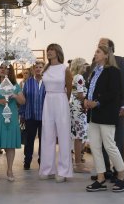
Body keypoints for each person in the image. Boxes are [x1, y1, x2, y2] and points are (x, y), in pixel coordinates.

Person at [84, 44, 124, 192]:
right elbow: (91, 89)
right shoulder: (95, 70)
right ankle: (100, 178)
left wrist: (97, 102)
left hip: (106, 113)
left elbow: (114, 93)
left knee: (110, 145)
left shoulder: (113, 71)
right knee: (95, 147)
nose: (95, 54)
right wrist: (86, 100)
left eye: (98, 52)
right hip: (93, 114)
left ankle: (122, 177)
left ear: (106, 55)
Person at [39, 43, 73, 183]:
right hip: (48, 100)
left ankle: (64, 171)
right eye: (48, 50)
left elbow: (69, 88)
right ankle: (48, 169)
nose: (49, 52)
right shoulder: (45, 69)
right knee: (47, 135)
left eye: (52, 50)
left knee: (64, 136)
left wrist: (64, 100)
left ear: (58, 52)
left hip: (61, 99)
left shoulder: (65, 69)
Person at [0, 63, 25, 182]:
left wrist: (15, 96)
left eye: (6, 68)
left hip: (11, 117)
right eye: (1, 68)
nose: (3, 70)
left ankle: (10, 170)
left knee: (10, 144)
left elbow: (23, 101)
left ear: (10, 71)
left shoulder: (15, 86)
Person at [19, 60, 45, 170]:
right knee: (29, 140)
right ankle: (27, 161)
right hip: (30, 115)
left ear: (43, 69)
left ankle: (42, 161)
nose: (38, 69)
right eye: (36, 67)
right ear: (33, 69)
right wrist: (22, 115)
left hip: (45, 116)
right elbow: (23, 99)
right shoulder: (27, 82)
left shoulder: (47, 82)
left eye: (40, 67)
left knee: (44, 140)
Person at [69, 57, 90, 173]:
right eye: (84, 64)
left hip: (73, 107)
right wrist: (88, 101)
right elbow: (80, 95)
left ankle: (75, 162)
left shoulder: (73, 77)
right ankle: (78, 164)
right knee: (79, 136)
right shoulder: (80, 77)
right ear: (80, 65)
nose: (86, 67)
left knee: (76, 135)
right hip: (79, 108)